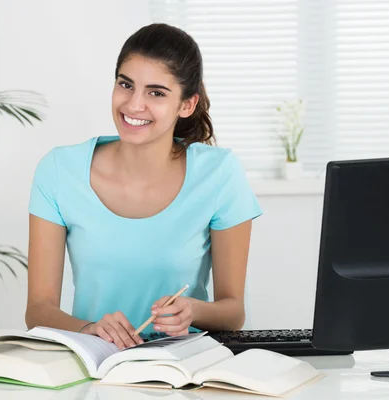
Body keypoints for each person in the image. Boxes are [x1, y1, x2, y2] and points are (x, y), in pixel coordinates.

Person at [26, 23, 262, 350]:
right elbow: (38, 311)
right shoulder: (59, 170)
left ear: (187, 105)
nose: (134, 105)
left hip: (182, 368)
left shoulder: (219, 174)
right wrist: (89, 328)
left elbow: (233, 312)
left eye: (156, 93)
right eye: (126, 85)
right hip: (97, 364)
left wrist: (192, 310)